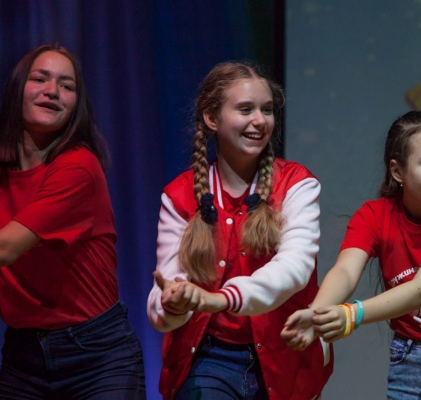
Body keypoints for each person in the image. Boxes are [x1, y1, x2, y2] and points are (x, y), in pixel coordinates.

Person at [0, 44, 146, 399]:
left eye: (66, 85)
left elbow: (5, 247)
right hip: (24, 357)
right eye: (40, 79)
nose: (52, 91)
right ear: (17, 90)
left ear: (76, 105)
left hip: (96, 355)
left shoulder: (78, 166)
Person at [282, 110, 421, 399]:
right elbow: (345, 271)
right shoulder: (373, 215)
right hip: (410, 358)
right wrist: (317, 314)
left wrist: (352, 314)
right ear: (397, 171)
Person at [147, 61, 333, 399]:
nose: (260, 120)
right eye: (245, 109)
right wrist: (174, 303)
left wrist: (222, 299)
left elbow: (295, 268)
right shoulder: (179, 194)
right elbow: (167, 291)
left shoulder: (296, 184)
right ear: (211, 118)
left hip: (285, 357)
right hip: (209, 359)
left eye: (267, 110)